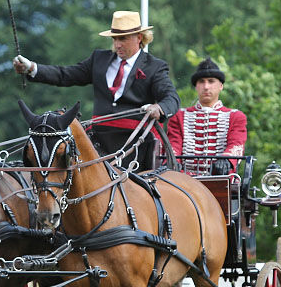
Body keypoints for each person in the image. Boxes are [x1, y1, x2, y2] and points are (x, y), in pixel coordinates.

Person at [13, 10, 180, 170]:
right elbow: (65, 74)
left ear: (139, 37)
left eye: (122, 39)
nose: (117, 44)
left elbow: (171, 98)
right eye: (114, 39)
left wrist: (160, 108)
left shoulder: (155, 67)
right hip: (97, 140)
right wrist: (32, 68)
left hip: (134, 142)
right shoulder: (99, 59)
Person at [167, 57, 247, 176]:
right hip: (186, 181)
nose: (206, 87)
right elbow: (174, 145)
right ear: (196, 86)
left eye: (211, 81)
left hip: (221, 180)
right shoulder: (179, 116)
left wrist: (226, 160)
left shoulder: (235, 116)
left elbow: (236, 143)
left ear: (221, 85)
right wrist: (173, 162)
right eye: (201, 82)